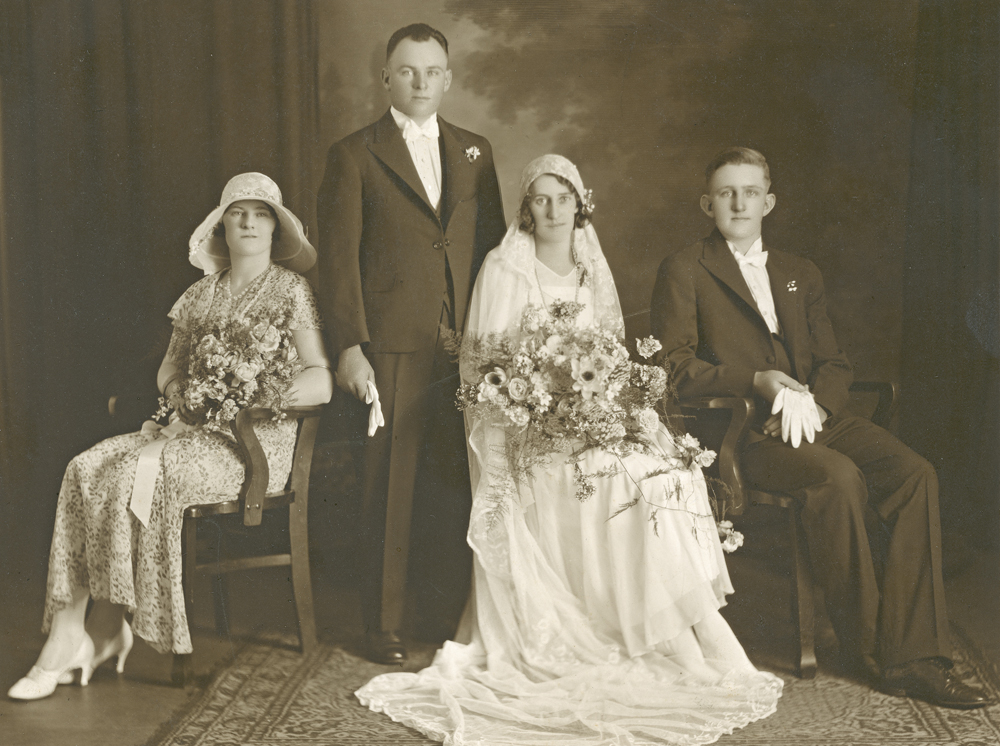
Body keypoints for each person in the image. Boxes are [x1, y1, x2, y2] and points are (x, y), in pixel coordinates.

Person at [354, 155, 783, 746]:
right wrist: (541, 409)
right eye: (541, 199)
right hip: (530, 433)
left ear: (581, 205)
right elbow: (485, 368)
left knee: (665, 474)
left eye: (564, 199)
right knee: (617, 479)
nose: (553, 210)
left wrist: (610, 413)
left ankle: (674, 635)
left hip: (586, 420)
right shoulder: (505, 267)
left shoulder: (589, 264)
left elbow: (608, 355)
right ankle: (651, 637)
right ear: (526, 208)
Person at [650, 147, 991, 709]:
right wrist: (757, 381)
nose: (739, 203)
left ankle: (915, 652)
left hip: (814, 418)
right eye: (727, 193)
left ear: (769, 202)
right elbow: (673, 367)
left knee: (914, 474)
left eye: (751, 192)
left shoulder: (799, 272)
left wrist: (818, 406)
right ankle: (871, 651)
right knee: (837, 478)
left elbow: (833, 362)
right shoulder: (685, 268)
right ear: (707, 204)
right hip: (744, 432)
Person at [7, 172, 333, 701]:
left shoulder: (291, 290)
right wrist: (183, 389)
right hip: (188, 431)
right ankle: (77, 633)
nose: (249, 222)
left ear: (277, 227)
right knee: (84, 468)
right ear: (221, 225)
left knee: (133, 475)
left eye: (261, 214)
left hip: (249, 447)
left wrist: (254, 394)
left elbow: (320, 377)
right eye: (237, 213)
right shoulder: (199, 294)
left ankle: (100, 630)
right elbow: (169, 368)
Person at [316, 23, 506, 664]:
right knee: (390, 485)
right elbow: (338, 260)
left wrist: (497, 338)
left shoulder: (476, 151)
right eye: (407, 70)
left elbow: (494, 249)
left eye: (432, 71)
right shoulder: (354, 154)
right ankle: (384, 624)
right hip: (391, 343)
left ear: (448, 79)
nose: (421, 82)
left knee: (455, 478)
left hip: (465, 343)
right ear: (386, 78)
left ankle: (441, 613)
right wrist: (350, 346)